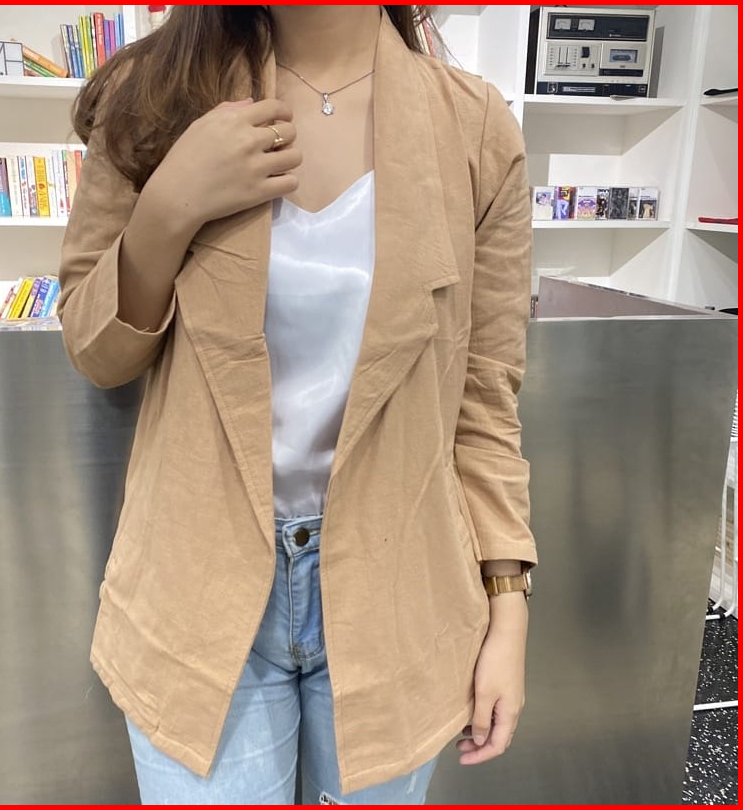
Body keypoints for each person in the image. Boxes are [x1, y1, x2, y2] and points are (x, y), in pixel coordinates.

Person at [58, 5, 537, 805]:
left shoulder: (475, 129)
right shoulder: (156, 93)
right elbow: (96, 349)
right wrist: (168, 207)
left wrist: (508, 608)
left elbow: (484, 398)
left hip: (399, 591)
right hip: (197, 592)